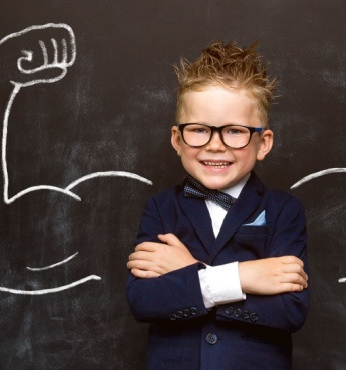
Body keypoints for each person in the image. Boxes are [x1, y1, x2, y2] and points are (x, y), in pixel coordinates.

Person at [125, 40, 310, 369]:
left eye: (234, 131)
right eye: (198, 130)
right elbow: (144, 301)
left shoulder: (285, 210)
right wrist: (244, 276)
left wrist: (190, 274)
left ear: (263, 143)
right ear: (177, 139)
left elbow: (290, 309)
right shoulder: (160, 208)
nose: (215, 146)